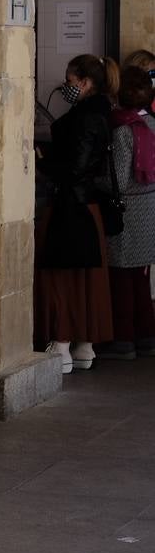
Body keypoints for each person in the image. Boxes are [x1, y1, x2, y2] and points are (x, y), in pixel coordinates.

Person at [36, 54, 115, 373]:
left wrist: (42, 161)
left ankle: (62, 344)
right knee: (86, 279)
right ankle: (84, 346)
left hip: (72, 207)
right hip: (87, 207)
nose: (65, 86)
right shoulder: (97, 114)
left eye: (69, 81)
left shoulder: (86, 118)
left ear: (84, 83)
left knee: (62, 278)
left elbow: (75, 167)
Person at [99, 66, 155, 359]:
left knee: (121, 280)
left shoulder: (122, 131)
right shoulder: (153, 125)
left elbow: (117, 181)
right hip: (150, 211)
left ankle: (123, 342)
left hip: (128, 215)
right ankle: (147, 338)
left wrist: (95, 180)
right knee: (141, 281)